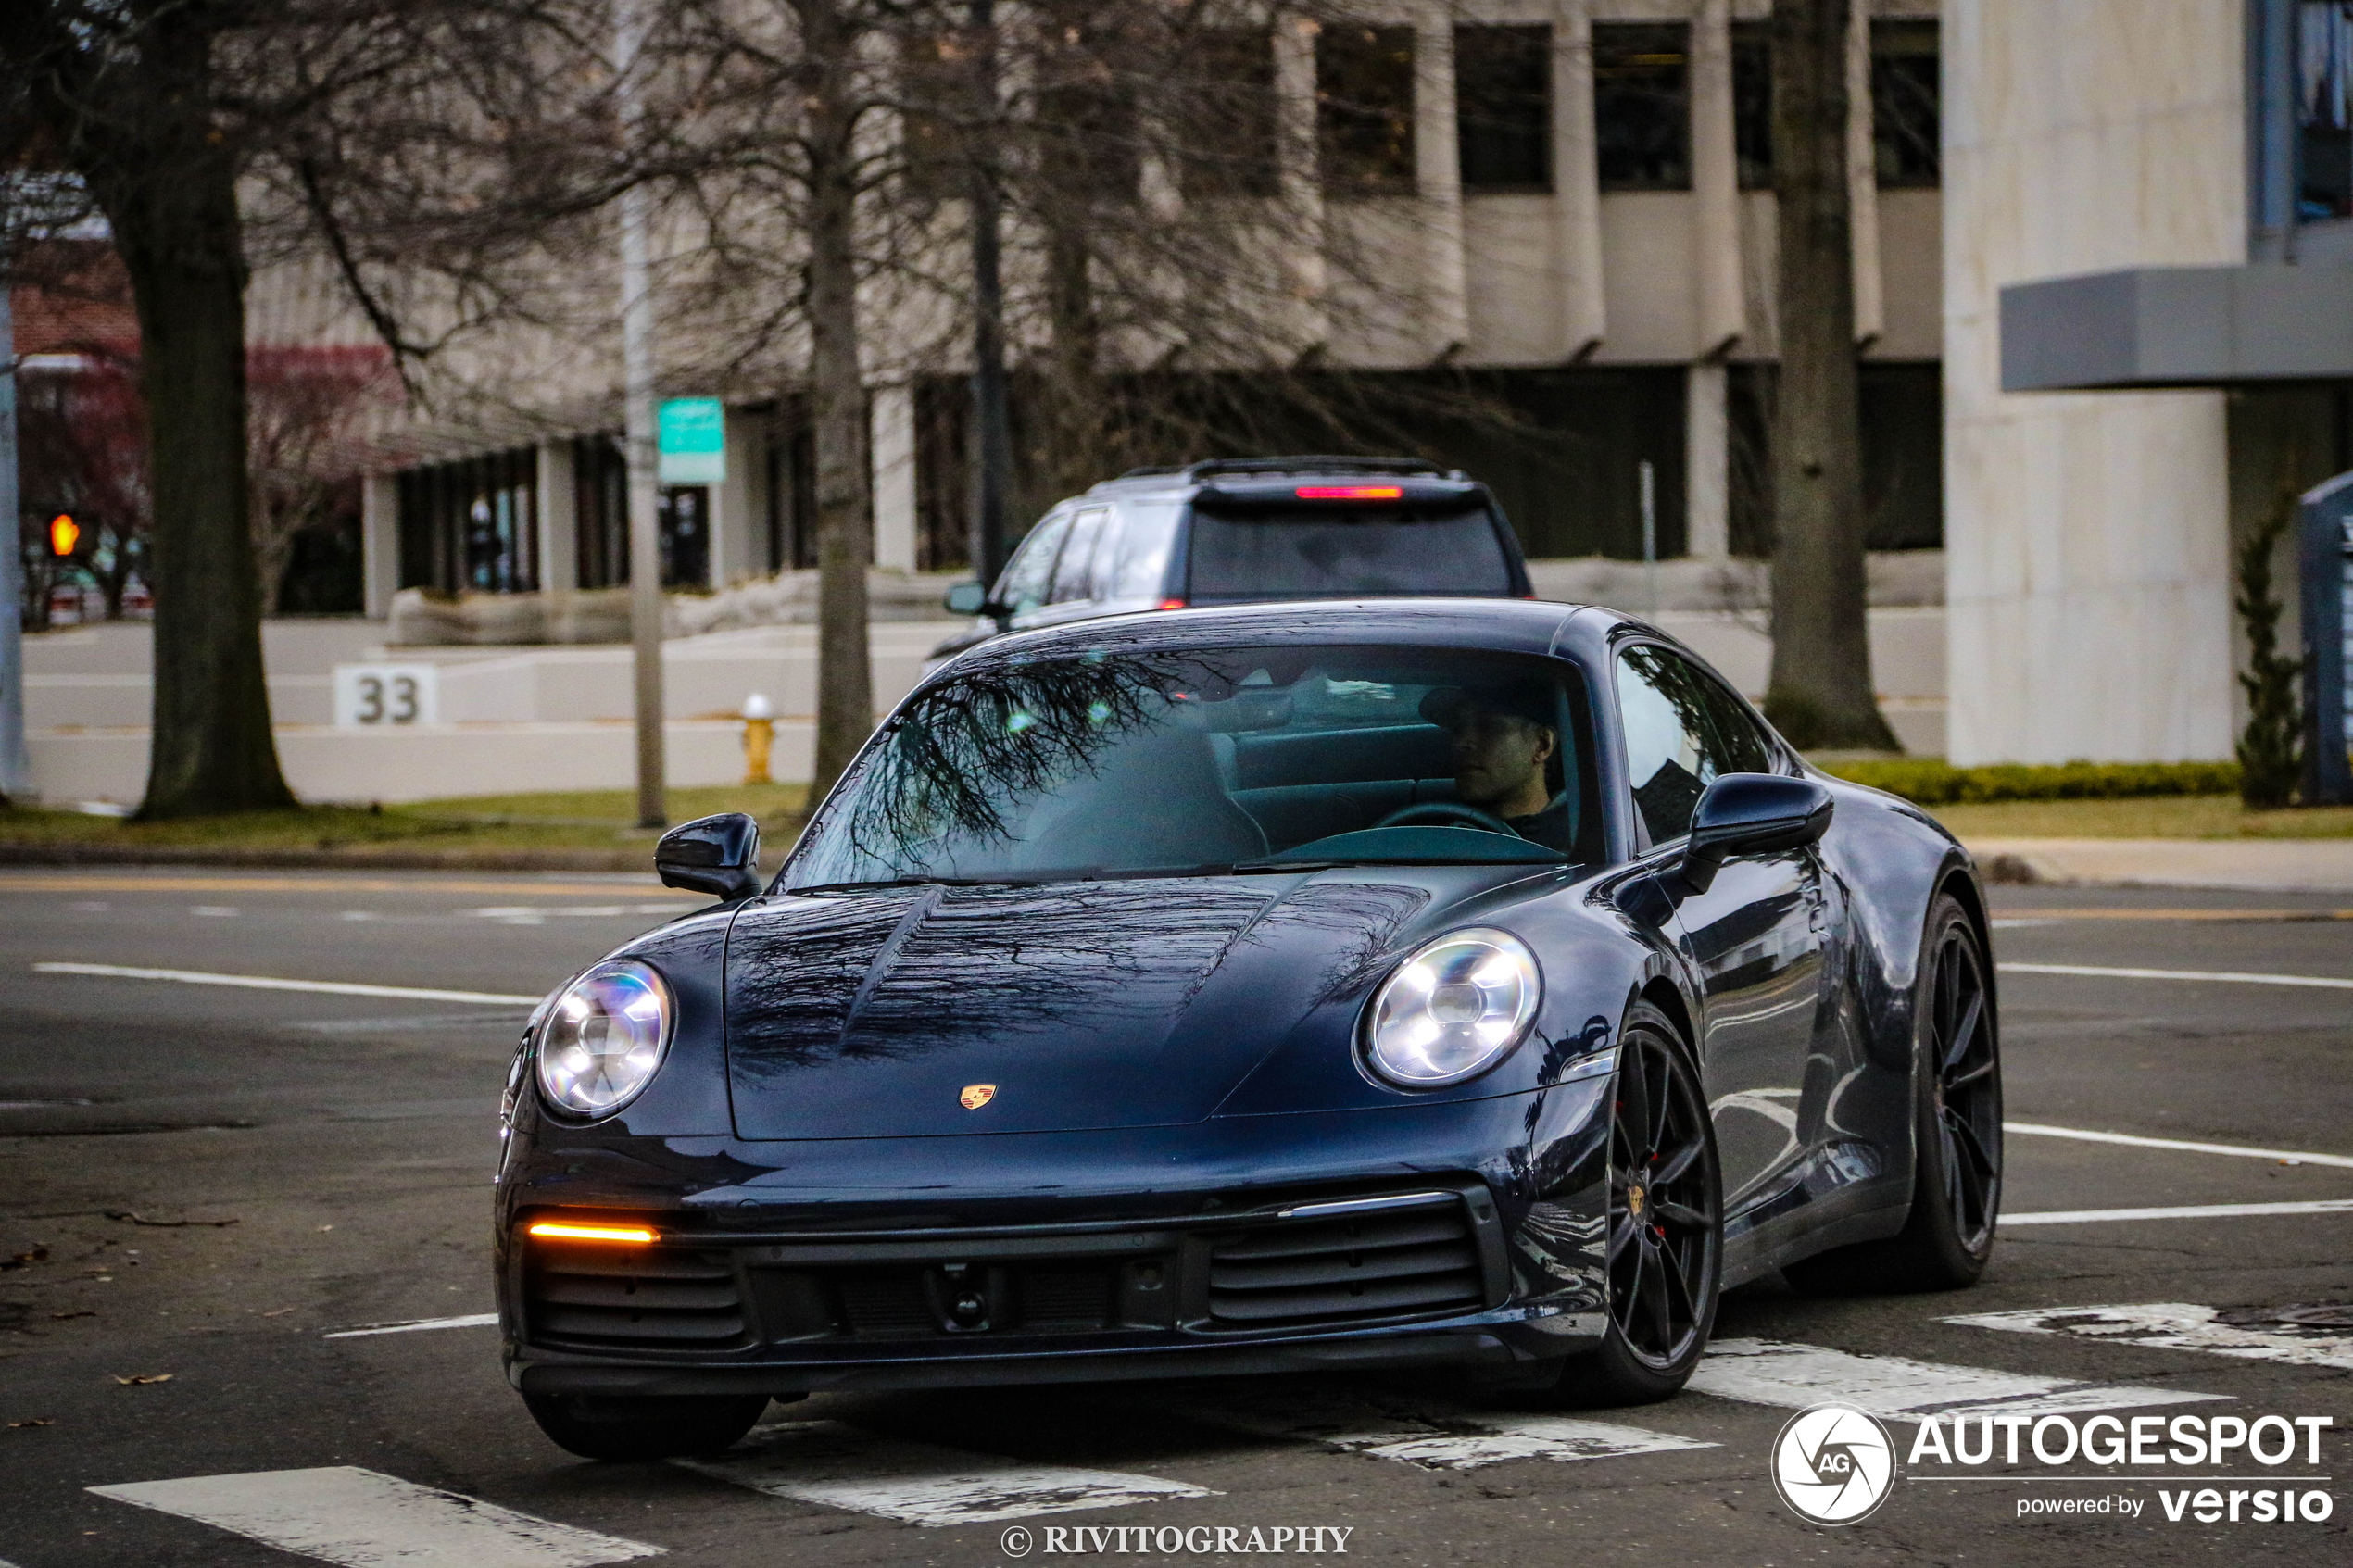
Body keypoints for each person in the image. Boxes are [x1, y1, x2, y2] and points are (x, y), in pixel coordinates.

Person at [1419, 686, 1578, 854]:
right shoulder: (1436, 834)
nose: (1460, 743)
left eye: (1488, 727)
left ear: (1542, 745)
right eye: (1457, 729)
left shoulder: (1579, 841)